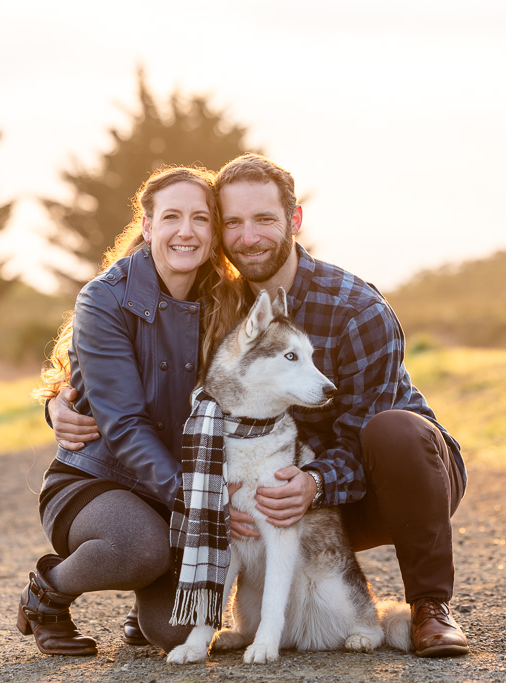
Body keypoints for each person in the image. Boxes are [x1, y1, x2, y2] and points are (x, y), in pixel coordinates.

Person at [50, 154, 470, 657]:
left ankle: (431, 608)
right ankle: (153, 590)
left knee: (396, 430)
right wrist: (60, 401)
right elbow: (136, 376)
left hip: (389, 480)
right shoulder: (219, 301)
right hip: (270, 491)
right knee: (174, 629)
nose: (249, 237)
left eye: (265, 219)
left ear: (294, 220)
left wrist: (314, 483)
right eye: (233, 223)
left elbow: (362, 430)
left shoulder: (357, 308)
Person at [17, 166, 242, 656]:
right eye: (172, 217)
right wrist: (197, 502)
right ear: (148, 225)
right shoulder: (104, 298)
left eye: (201, 219)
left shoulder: (228, 299)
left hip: (177, 490)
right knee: (140, 548)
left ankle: (146, 604)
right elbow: (122, 423)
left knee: (179, 635)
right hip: (97, 478)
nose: (186, 231)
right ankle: (48, 592)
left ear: (213, 231)